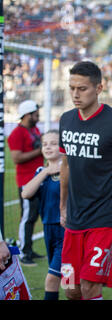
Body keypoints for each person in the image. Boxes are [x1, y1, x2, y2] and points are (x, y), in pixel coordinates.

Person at [59, 61, 112, 300]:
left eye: (82, 88)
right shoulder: (66, 120)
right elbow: (65, 165)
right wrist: (62, 205)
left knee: (89, 286)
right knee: (70, 288)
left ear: (99, 88)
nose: (75, 94)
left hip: (104, 219)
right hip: (74, 221)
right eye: (72, 88)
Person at [21, 130, 64, 300]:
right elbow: (26, 193)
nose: (48, 147)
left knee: (52, 279)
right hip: (49, 231)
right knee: (68, 283)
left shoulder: (69, 170)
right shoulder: (41, 171)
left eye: (53, 143)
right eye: (45, 144)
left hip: (66, 232)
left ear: (63, 146)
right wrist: (46, 171)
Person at [7, 100, 45, 266]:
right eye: (36, 113)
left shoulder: (34, 129)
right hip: (26, 181)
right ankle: (23, 253)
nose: (38, 116)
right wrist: (40, 151)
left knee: (34, 216)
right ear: (28, 114)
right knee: (27, 217)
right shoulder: (17, 133)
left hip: (38, 179)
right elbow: (16, 158)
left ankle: (29, 249)